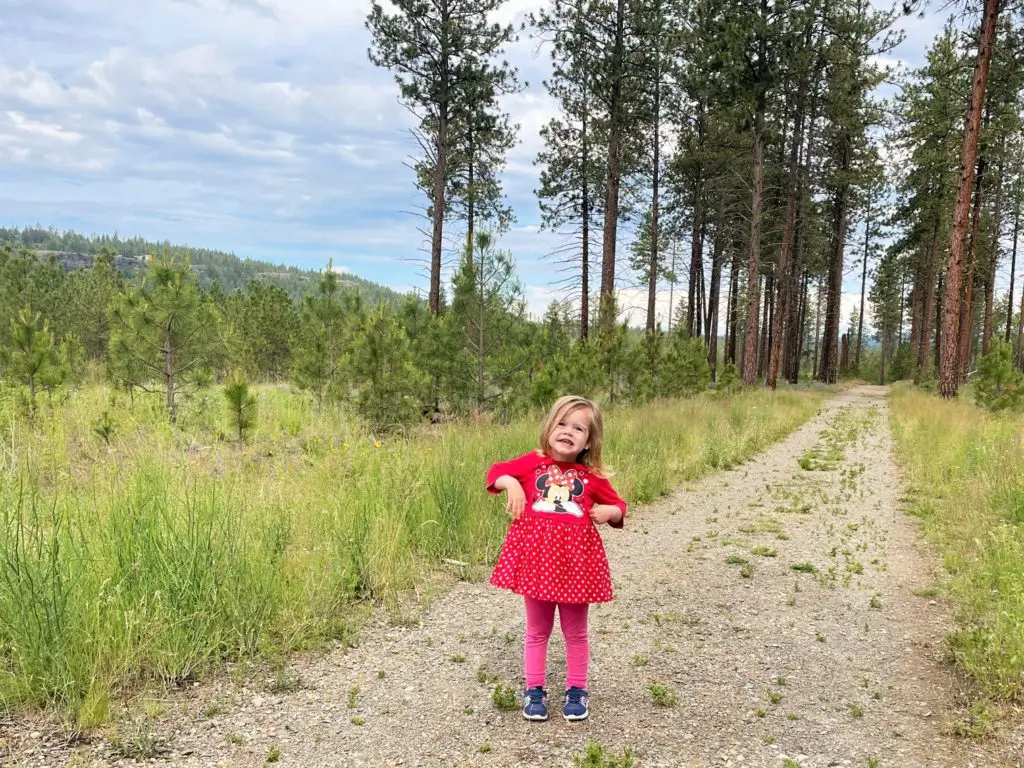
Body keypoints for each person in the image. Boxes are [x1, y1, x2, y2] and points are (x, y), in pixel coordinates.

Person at [486, 395, 626, 722]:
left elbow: (619, 505)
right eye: (561, 423)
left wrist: (611, 511)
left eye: (578, 428)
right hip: (537, 565)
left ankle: (577, 689)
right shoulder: (532, 463)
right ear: (549, 427)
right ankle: (535, 689)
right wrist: (512, 486)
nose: (567, 431)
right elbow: (496, 472)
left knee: (575, 631)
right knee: (537, 630)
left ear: (589, 440)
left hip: (576, 568)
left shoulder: (591, 477)